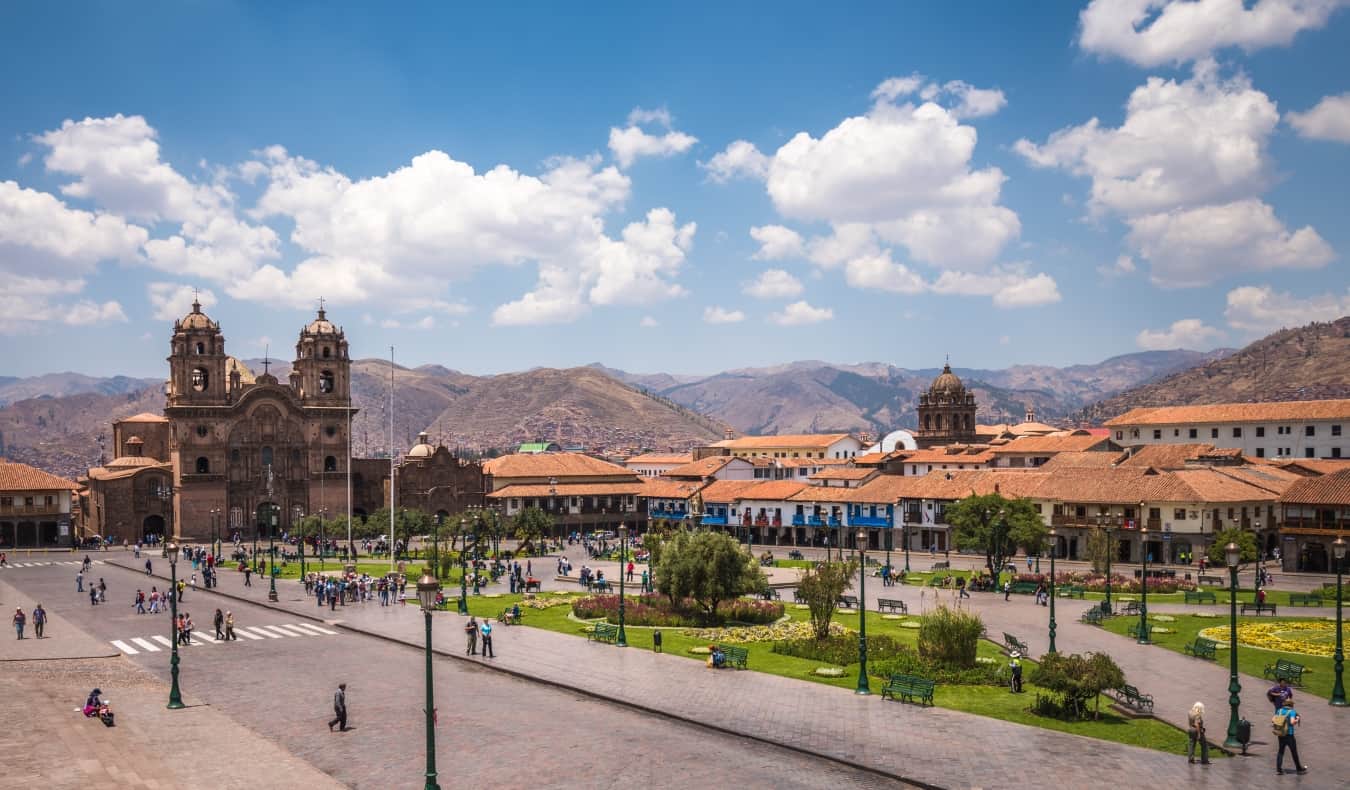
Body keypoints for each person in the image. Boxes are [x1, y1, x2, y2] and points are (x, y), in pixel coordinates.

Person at [1273, 701, 1307, 775]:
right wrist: (1297, 719)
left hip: (1281, 734)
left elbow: (1273, 719)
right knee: (1294, 751)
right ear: (1291, 705)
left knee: (1281, 751)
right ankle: (1299, 768)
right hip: (1289, 735)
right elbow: (1292, 722)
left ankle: (1279, 769)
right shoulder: (1292, 712)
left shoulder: (1279, 710)